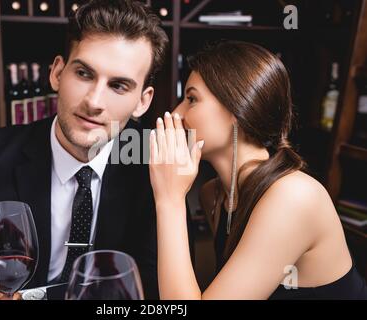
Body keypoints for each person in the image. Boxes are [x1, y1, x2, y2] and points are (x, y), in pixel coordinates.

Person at [0, 0, 177, 300]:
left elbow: (160, 295)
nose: (94, 101)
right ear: (57, 73)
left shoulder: (156, 170)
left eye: (118, 86)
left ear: (142, 102)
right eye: (84, 74)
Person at [149, 40, 367, 299]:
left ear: (237, 107)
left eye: (191, 99)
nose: (176, 113)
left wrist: (169, 199)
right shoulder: (214, 195)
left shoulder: (293, 197)